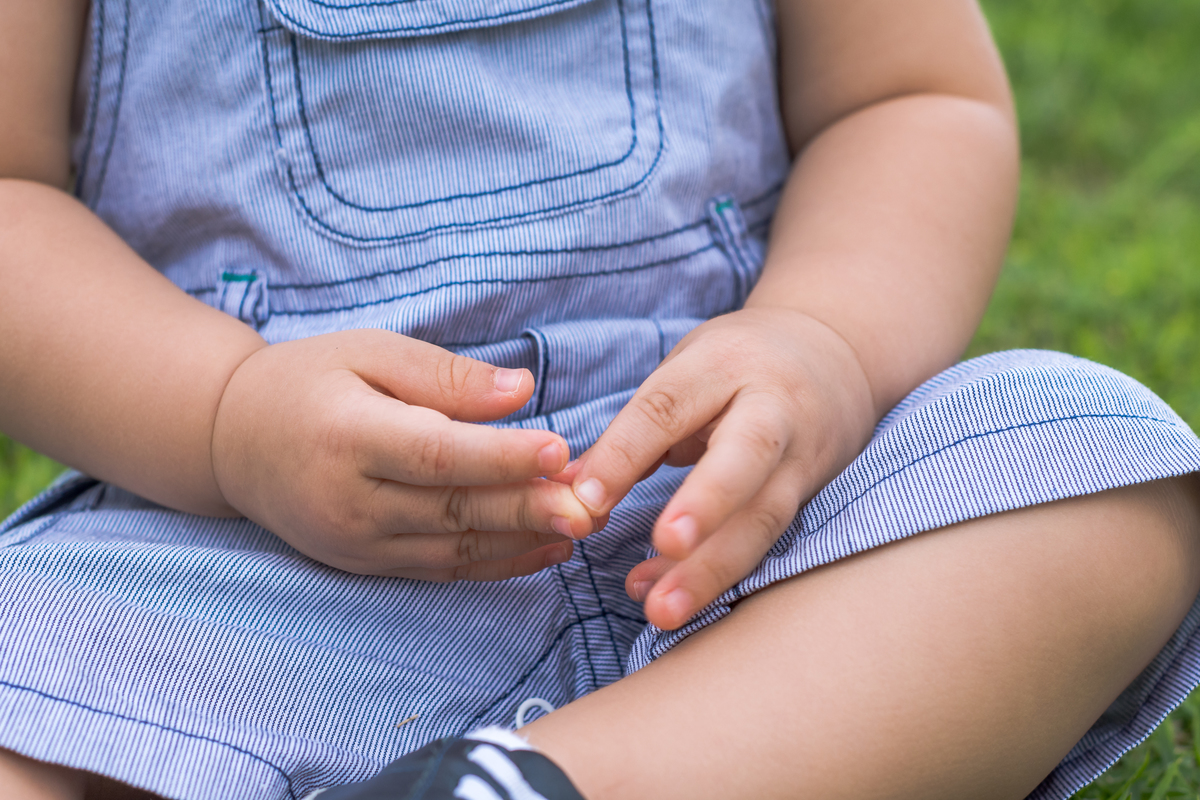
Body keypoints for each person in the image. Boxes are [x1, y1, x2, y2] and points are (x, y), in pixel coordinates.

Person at [2, 0, 1199, 798]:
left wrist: (822, 337)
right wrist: (225, 413)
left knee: (1108, 478)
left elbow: (910, 95)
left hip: (745, 544)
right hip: (250, 579)